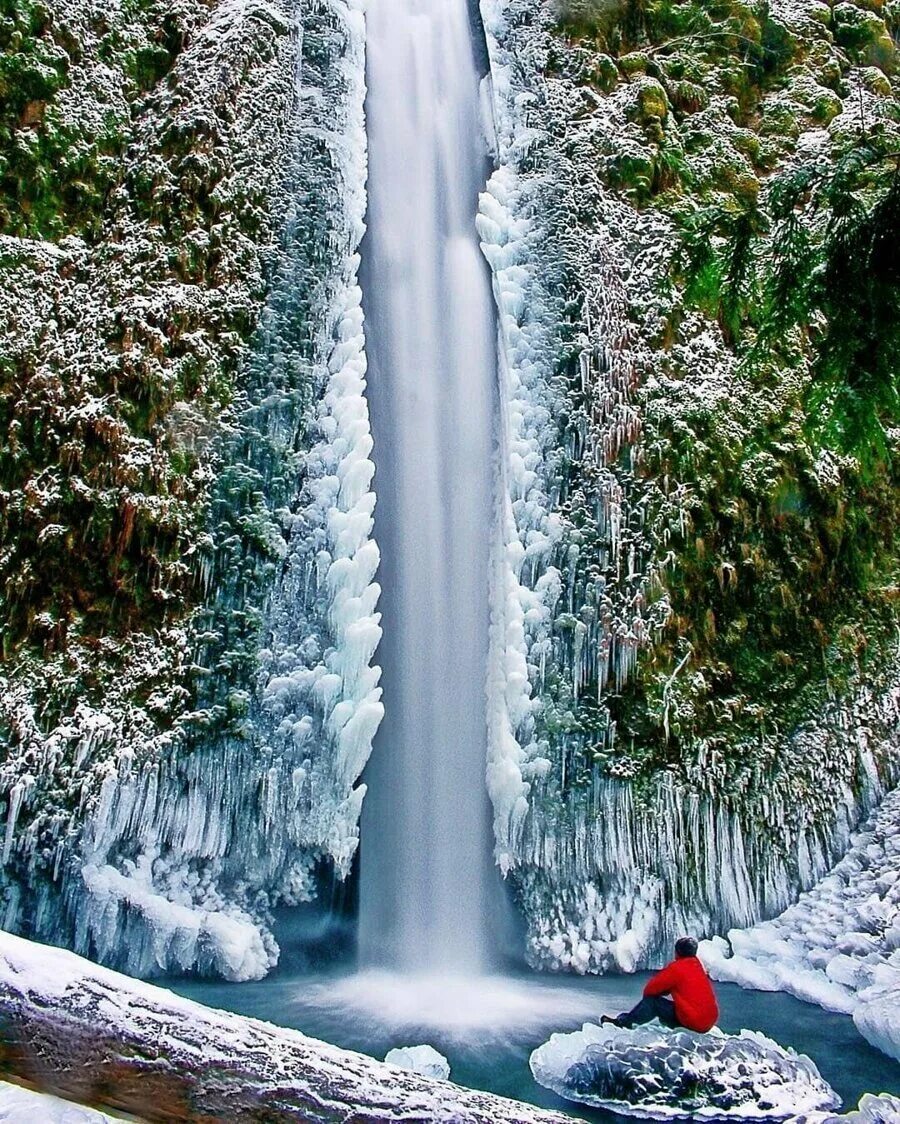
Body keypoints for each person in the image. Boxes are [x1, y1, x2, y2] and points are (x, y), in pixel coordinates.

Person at [601, 936, 719, 1032]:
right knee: (673, 1005)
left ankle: (623, 1023)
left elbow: (650, 989)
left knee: (652, 1002)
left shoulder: (677, 968)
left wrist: (662, 992)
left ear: (677, 952)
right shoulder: (697, 965)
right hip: (709, 1021)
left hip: (694, 1022)